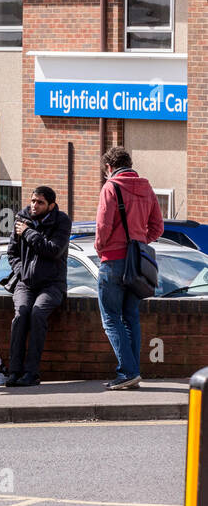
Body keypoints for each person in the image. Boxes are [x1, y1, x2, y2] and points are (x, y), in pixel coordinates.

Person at [94, 147, 163, 390]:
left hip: (113, 259)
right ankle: (132, 372)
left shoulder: (111, 187)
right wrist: (140, 241)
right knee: (131, 317)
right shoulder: (147, 187)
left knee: (111, 319)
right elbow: (158, 227)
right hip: (137, 263)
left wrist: (101, 248)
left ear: (109, 168)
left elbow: (103, 227)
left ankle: (128, 372)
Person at [5, 186, 71, 388]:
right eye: (33, 201)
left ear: (51, 205)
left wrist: (28, 233)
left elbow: (53, 250)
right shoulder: (21, 218)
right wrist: (21, 272)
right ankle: (14, 371)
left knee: (37, 313)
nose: (34, 205)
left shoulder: (61, 222)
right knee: (21, 314)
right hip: (25, 283)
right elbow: (12, 253)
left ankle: (31, 373)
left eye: (40, 202)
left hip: (52, 284)